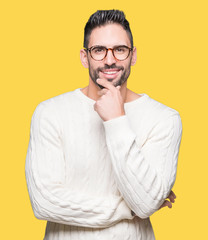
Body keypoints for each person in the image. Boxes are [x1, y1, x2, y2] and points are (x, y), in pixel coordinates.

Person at [25, 9, 182, 240]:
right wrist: (127, 209)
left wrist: (117, 120)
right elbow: (44, 201)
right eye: (98, 50)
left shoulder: (164, 118)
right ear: (84, 57)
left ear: (133, 55)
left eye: (120, 49)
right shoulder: (50, 113)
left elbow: (147, 203)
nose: (110, 59)